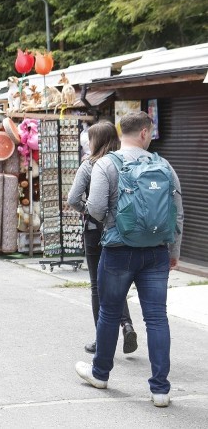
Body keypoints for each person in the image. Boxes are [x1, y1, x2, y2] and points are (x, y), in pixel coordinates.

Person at [77, 111, 184, 408]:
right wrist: (173, 252)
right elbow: (178, 212)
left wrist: (112, 219)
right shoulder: (164, 165)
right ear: (145, 133)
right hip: (156, 253)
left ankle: (100, 373)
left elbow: (96, 208)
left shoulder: (106, 165)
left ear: (120, 132)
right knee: (156, 318)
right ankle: (160, 390)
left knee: (110, 313)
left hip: (118, 250)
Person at [66, 121, 135, 354]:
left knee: (98, 285)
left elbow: (73, 198)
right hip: (123, 230)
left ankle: (102, 340)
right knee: (118, 283)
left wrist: (89, 210)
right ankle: (127, 325)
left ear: (96, 141)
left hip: (96, 231)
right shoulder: (124, 162)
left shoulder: (89, 165)